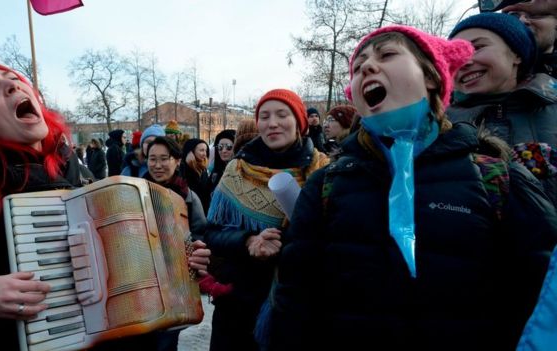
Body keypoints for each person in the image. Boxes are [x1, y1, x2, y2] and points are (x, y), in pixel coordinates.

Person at [264, 26, 557, 350]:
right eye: (358, 66)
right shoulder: (327, 184)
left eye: (387, 55)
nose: (368, 68)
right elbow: (294, 302)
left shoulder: (495, 177)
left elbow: (539, 298)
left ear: (432, 77)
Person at [0, 61, 211, 351]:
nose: (12, 84)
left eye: (12, 78)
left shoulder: (75, 171)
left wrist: (181, 259)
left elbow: (126, 260)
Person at [205, 89, 329, 351]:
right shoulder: (236, 170)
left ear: (299, 122)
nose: (272, 123)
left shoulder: (324, 172)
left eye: (282, 114)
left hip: (299, 305)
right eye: (264, 116)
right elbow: (212, 232)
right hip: (239, 304)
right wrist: (248, 240)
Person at [447, 12, 557, 206]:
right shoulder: (439, 126)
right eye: (454, 54)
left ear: (516, 54)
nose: (464, 61)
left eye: (477, 47)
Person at [142, 136, 208, 351]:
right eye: (152, 159)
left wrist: (192, 252)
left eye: (164, 158)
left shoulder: (188, 197)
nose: (158, 165)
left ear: (177, 161)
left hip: (175, 282)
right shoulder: (133, 190)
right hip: (141, 280)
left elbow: (202, 233)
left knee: (166, 341)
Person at [180, 138, 211, 213]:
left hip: (203, 210)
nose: (204, 154)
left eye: (205, 151)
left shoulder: (203, 168)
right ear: (191, 151)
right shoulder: (182, 167)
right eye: (201, 150)